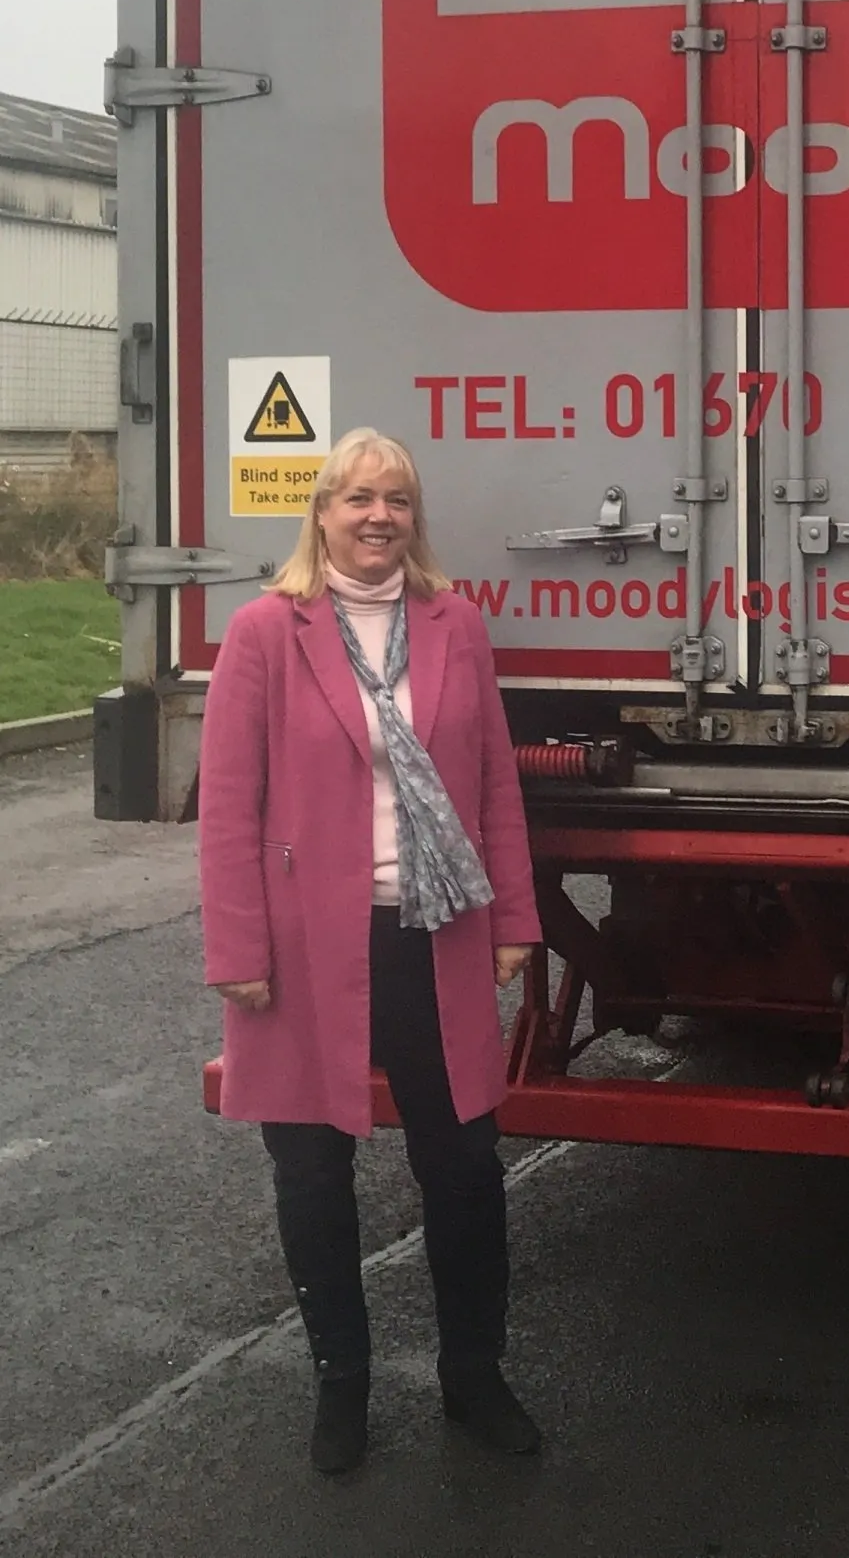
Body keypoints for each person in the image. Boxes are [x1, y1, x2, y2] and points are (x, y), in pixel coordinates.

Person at [199, 427, 544, 1475]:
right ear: (321, 511)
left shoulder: (456, 626)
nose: (377, 516)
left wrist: (517, 920)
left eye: (395, 498)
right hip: (306, 946)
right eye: (357, 497)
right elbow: (228, 808)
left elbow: (491, 783)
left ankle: (472, 1376)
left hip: (432, 933)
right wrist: (236, 947)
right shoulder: (265, 631)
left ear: (413, 514)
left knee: (466, 1167)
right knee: (311, 1172)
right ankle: (340, 1383)